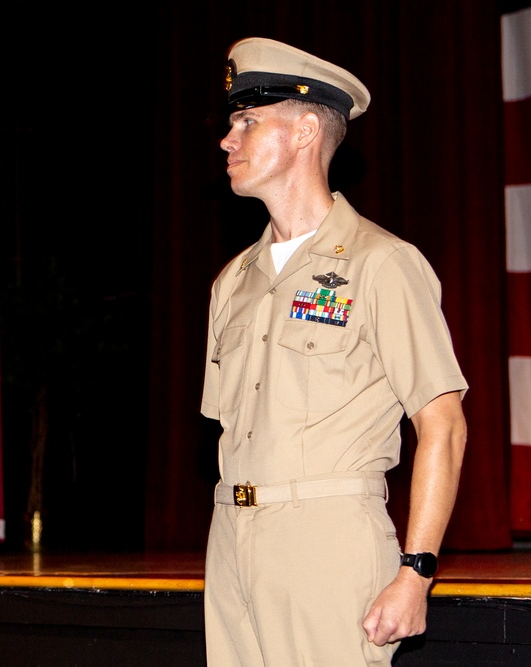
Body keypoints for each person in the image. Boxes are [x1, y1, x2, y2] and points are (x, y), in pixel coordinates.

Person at [200, 38, 468, 666]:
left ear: (305, 130)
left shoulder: (383, 264)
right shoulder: (231, 282)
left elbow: (443, 423)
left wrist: (417, 572)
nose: (227, 140)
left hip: (326, 537)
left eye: (246, 120)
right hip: (231, 533)